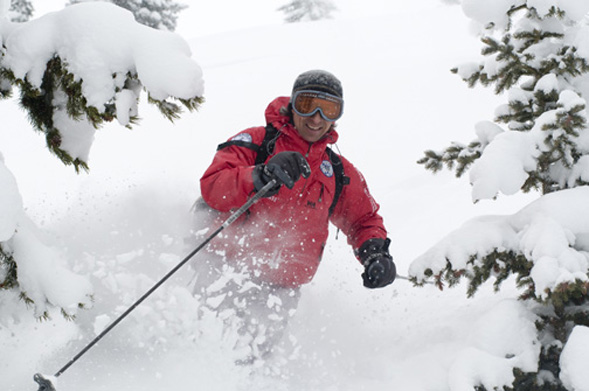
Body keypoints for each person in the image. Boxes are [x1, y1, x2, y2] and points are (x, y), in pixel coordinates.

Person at [192, 69, 396, 368]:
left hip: (280, 290)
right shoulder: (258, 143)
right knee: (203, 352)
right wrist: (258, 174)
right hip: (224, 270)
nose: (315, 118)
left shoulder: (336, 170)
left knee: (249, 365)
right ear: (292, 105)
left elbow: (363, 219)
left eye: (327, 109)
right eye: (307, 105)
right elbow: (213, 186)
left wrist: (375, 253)